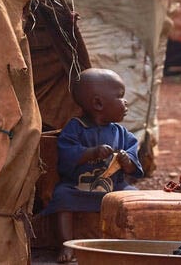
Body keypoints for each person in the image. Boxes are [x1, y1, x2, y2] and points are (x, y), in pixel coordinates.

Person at [42, 68, 143, 263]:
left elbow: (133, 166)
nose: (125, 102)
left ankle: (125, 243)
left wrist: (126, 161)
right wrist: (91, 153)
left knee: (133, 197)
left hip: (113, 187)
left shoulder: (121, 133)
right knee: (62, 195)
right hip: (79, 186)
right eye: (120, 96)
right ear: (98, 103)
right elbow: (66, 154)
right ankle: (67, 244)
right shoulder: (76, 127)